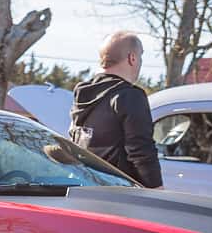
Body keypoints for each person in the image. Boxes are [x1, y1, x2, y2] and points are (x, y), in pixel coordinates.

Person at [69, 31, 163, 188]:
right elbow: (140, 149)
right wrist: (156, 188)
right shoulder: (130, 96)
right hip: (118, 192)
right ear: (132, 58)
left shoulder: (82, 93)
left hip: (83, 185)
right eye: (140, 56)